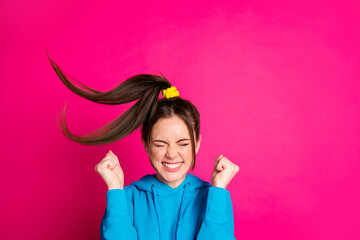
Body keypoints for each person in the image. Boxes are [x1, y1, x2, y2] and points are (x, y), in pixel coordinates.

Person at [48, 53, 239, 240]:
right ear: (145, 143)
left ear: (197, 144)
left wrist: (219, 190)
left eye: (183, 143)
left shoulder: (215, 197)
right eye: (160, 144)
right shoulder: (127, 197)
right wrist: (115, 189)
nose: (172, 154)